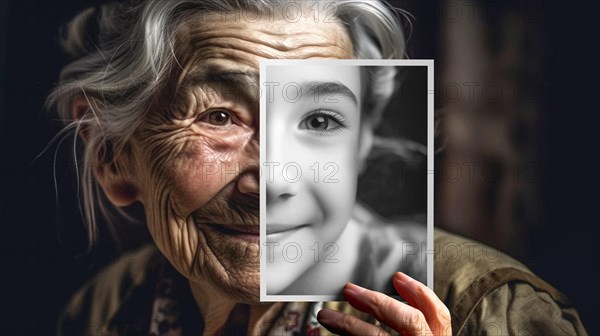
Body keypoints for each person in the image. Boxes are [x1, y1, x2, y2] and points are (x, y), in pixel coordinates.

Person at [47, 0, 588, 335]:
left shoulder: (496, 315)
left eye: (321, 121)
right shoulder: (105, 308)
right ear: (111, 154)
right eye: (218, 116)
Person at [264, 62, 427, 297]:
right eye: (221, 118)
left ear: (364, 138)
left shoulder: (451, 291)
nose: (273, 181)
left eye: (318, 122)